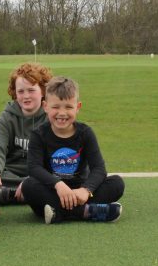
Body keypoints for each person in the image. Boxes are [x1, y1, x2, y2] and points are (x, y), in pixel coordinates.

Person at [21, 77, 124, 224]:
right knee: (29, 186)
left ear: (78, 107)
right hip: (53, 191)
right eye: (56, 107)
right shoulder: (39, 134)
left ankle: (60, 214)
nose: (62, 113)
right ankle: (86, 212)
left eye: (68, 107)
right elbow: (34, 168)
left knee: (117, 183)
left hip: (80, 191)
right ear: (45, 106)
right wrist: (58, 184)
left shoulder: (85, 133)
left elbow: (99, 169)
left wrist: (86, 190)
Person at [0, 62, 52, 205]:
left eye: (31, 90)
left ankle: (9, 194)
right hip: (10, 173)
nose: (26, 96)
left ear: (43, 91)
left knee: (59, 177)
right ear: (14, 92)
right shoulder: (6, 118)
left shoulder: (51, 118)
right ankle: (26, 192)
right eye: (21, 91)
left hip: (41, 173)